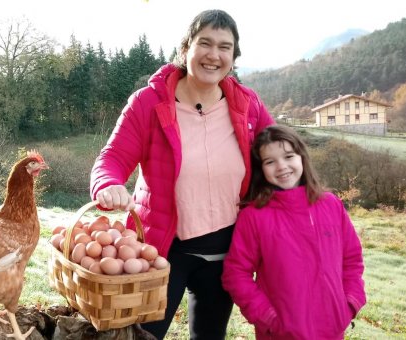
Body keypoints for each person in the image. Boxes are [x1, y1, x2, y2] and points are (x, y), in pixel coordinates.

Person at [90, 9, 274, 339]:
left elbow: (281, 157)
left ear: (234, 56)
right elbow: (112, 158)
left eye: (224, 47)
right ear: (186, 48)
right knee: (143, 335)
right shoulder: (147, 103)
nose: (213, 55)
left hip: (225, 252)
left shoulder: (249, 105)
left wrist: (307, 199)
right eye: (204, 43)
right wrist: (108, 184)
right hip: (161, 250)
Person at [222, 125, 366, 339]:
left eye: (288, 156)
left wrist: (351, 303)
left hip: (332, 330)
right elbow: (236, 274)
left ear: (301, 157)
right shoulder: (254, 216)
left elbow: (352, 259)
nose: (282, 166)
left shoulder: (331, 204)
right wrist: (268, 318)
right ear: (261, 169)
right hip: (280, 332)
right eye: (270, 161)